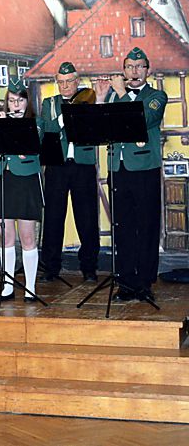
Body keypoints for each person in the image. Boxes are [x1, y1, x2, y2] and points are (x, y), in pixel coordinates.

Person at [94, 47, 166, 302]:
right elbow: (98, 130)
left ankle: (145, 282)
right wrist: (101, 99)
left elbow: (143, 119)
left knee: (146, 225)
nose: (134, 72)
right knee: (122, 227)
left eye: (139, 67)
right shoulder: (114, 97)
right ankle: (126, 282)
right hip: (118, 168)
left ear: (148, 70)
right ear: (124, 70)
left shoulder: (156, 96)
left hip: (144, 168)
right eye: (129, 67)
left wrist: (122, 93)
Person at [0, 78, 44, 302]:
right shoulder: (0, 123)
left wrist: (5, 127)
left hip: (25, 181)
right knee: (5, 237)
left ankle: (30, 287)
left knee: (27, 236)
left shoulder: (36, 123)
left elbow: (31, 144)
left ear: (27, 103)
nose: (16, 105)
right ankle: (7, 286)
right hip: (3, 179)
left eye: (20, 101)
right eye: (11, 101)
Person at [40, 62, 100, 283]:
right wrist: (65, 116)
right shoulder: (50, 103)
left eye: (69, 82)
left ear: (77, 81)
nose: (65, 86)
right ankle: (51, 267)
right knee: (53, 217)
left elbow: (95, 130)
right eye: (61, 82)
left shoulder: (89, 101)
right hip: (57, 165)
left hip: (83, 164)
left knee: (87, 217)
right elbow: (48, 129)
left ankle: (89, 267)